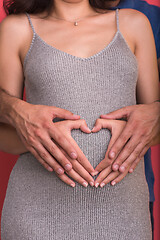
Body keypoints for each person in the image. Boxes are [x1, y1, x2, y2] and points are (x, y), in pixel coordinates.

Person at [0, 0, 159, 239]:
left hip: (125, 214)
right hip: (36, 215)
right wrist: (43, 139)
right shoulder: (17, 28)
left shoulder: (134, 23)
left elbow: (152, 126)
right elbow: (4, 135)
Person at [109, 0, 160, 238]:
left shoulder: (149, 18)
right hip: (44, 193)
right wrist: (14, 107)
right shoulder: (44, 14)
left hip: (130, 191)